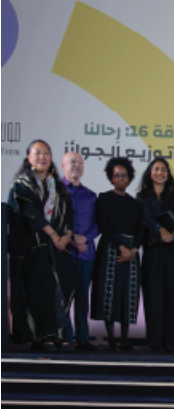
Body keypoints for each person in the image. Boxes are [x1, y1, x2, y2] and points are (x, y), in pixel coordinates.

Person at [6, 140, 76, 353]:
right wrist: (53, 235)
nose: (42, 157)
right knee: (40, 292)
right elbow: (31, 214)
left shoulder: (57, 186)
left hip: (59, 249)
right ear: (28, 157)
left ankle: (61, 335)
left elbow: (68, 215)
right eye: (37, 153)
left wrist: (66, 236)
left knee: (60, 291)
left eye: (46, 153)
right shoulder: (22, 184)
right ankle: (43, 337)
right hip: (34, 248)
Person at [137, 157, 174, 352]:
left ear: (168, 174)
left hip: (171, 252)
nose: (160, 173)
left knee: (172, 296)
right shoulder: (142, 197)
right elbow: (146, 219)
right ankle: (155, 341)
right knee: (154, 296)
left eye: (164, 170)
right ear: (149, 173)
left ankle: (172, 341)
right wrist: (160, 230)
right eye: (156, 169)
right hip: (153, 251)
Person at [92, 156, 145, 352]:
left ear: (129, 178)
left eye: (124, 175)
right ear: (111, 178)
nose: (121, 178)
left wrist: (133, 249)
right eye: (117, 175)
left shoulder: (136, 203)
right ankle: (111, 339)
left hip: (131, 251)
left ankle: (124, 338)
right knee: (110, 292)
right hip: (110, 248)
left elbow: (141, 230)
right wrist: (120, 246)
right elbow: (103, 225)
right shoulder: (104, 198)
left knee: (128, 293)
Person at [61, 150, 99, 351]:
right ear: (63, 166)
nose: (77, 165)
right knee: (64, 297)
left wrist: (85, 238)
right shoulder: (55, 192)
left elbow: (98, 223)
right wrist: (71, 239)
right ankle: (65, 337)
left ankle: (83, 338)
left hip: (86, 252)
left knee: (83, 298)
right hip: (64, 252)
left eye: (80, 162)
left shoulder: (91, 195)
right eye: (72, 161)